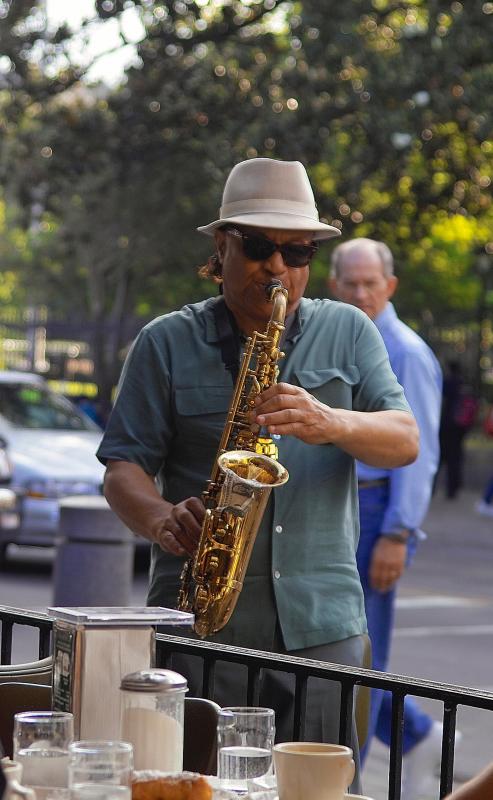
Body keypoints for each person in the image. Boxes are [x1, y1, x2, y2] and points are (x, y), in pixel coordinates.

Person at [96, 158, 418, 790]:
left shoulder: (350, 330)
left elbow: (404, 439)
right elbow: (121, 466)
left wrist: (332, 421)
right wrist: (163, 519)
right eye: (260, 246)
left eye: (296, 252)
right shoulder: (165, 342)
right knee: (192, 789)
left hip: (323, 629)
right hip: (200, 625)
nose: (279, 268)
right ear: (222, 247)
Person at [329, 238, 443, 800]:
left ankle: (352, 784)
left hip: (376, 513)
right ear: (334, 286)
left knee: (363, 657)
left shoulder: (405, 351)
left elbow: (419, 456)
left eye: (370, 282)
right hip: (339, 505)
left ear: (389, 286)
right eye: (349, 283)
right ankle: (419, 734)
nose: (360, 293)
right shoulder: (344, 337)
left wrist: (398, 532)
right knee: (337, 653)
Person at [439, 360, 478, 499]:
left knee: (443, 456)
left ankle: (437, 487)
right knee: (456, 457)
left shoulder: (448, 383)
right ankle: (454, 487)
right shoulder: (465, 384)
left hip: (448, 425)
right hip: (461, 427)